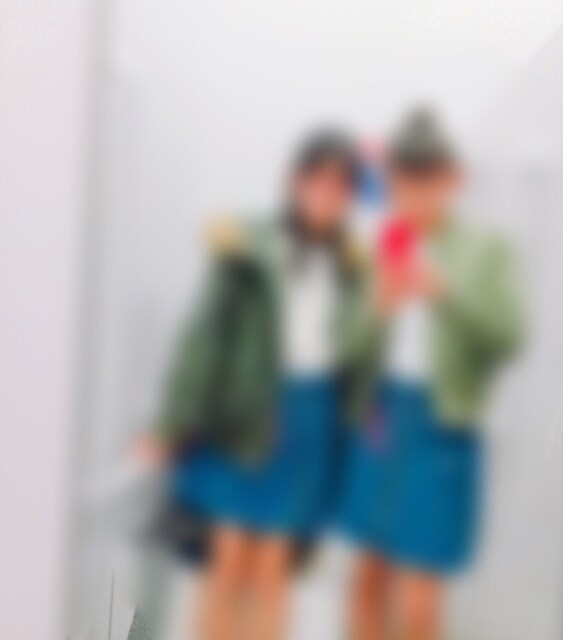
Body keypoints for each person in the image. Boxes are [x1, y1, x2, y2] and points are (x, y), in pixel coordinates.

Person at [152, 129, 371, 640]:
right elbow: (205, 335)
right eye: (318, 180)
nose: (328, 194)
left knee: (274, 569)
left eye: (341, 186)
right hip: (243, 408)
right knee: (228, 561)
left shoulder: (353, 263)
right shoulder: (245, 243)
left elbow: (360, 356)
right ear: (295, 181)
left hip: (311, 420)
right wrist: (173, 422)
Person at [339, 110, 523, 640]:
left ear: (451, 179)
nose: (415, 190)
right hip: (379, 417)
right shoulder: (377, 243)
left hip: (443, 423)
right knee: (367, 580)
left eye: (427, 175)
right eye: (404, 176)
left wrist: (445, 293)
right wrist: (377, 307)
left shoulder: (487, 248)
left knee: (421, 602)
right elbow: (346, 348)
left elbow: (507, 337)